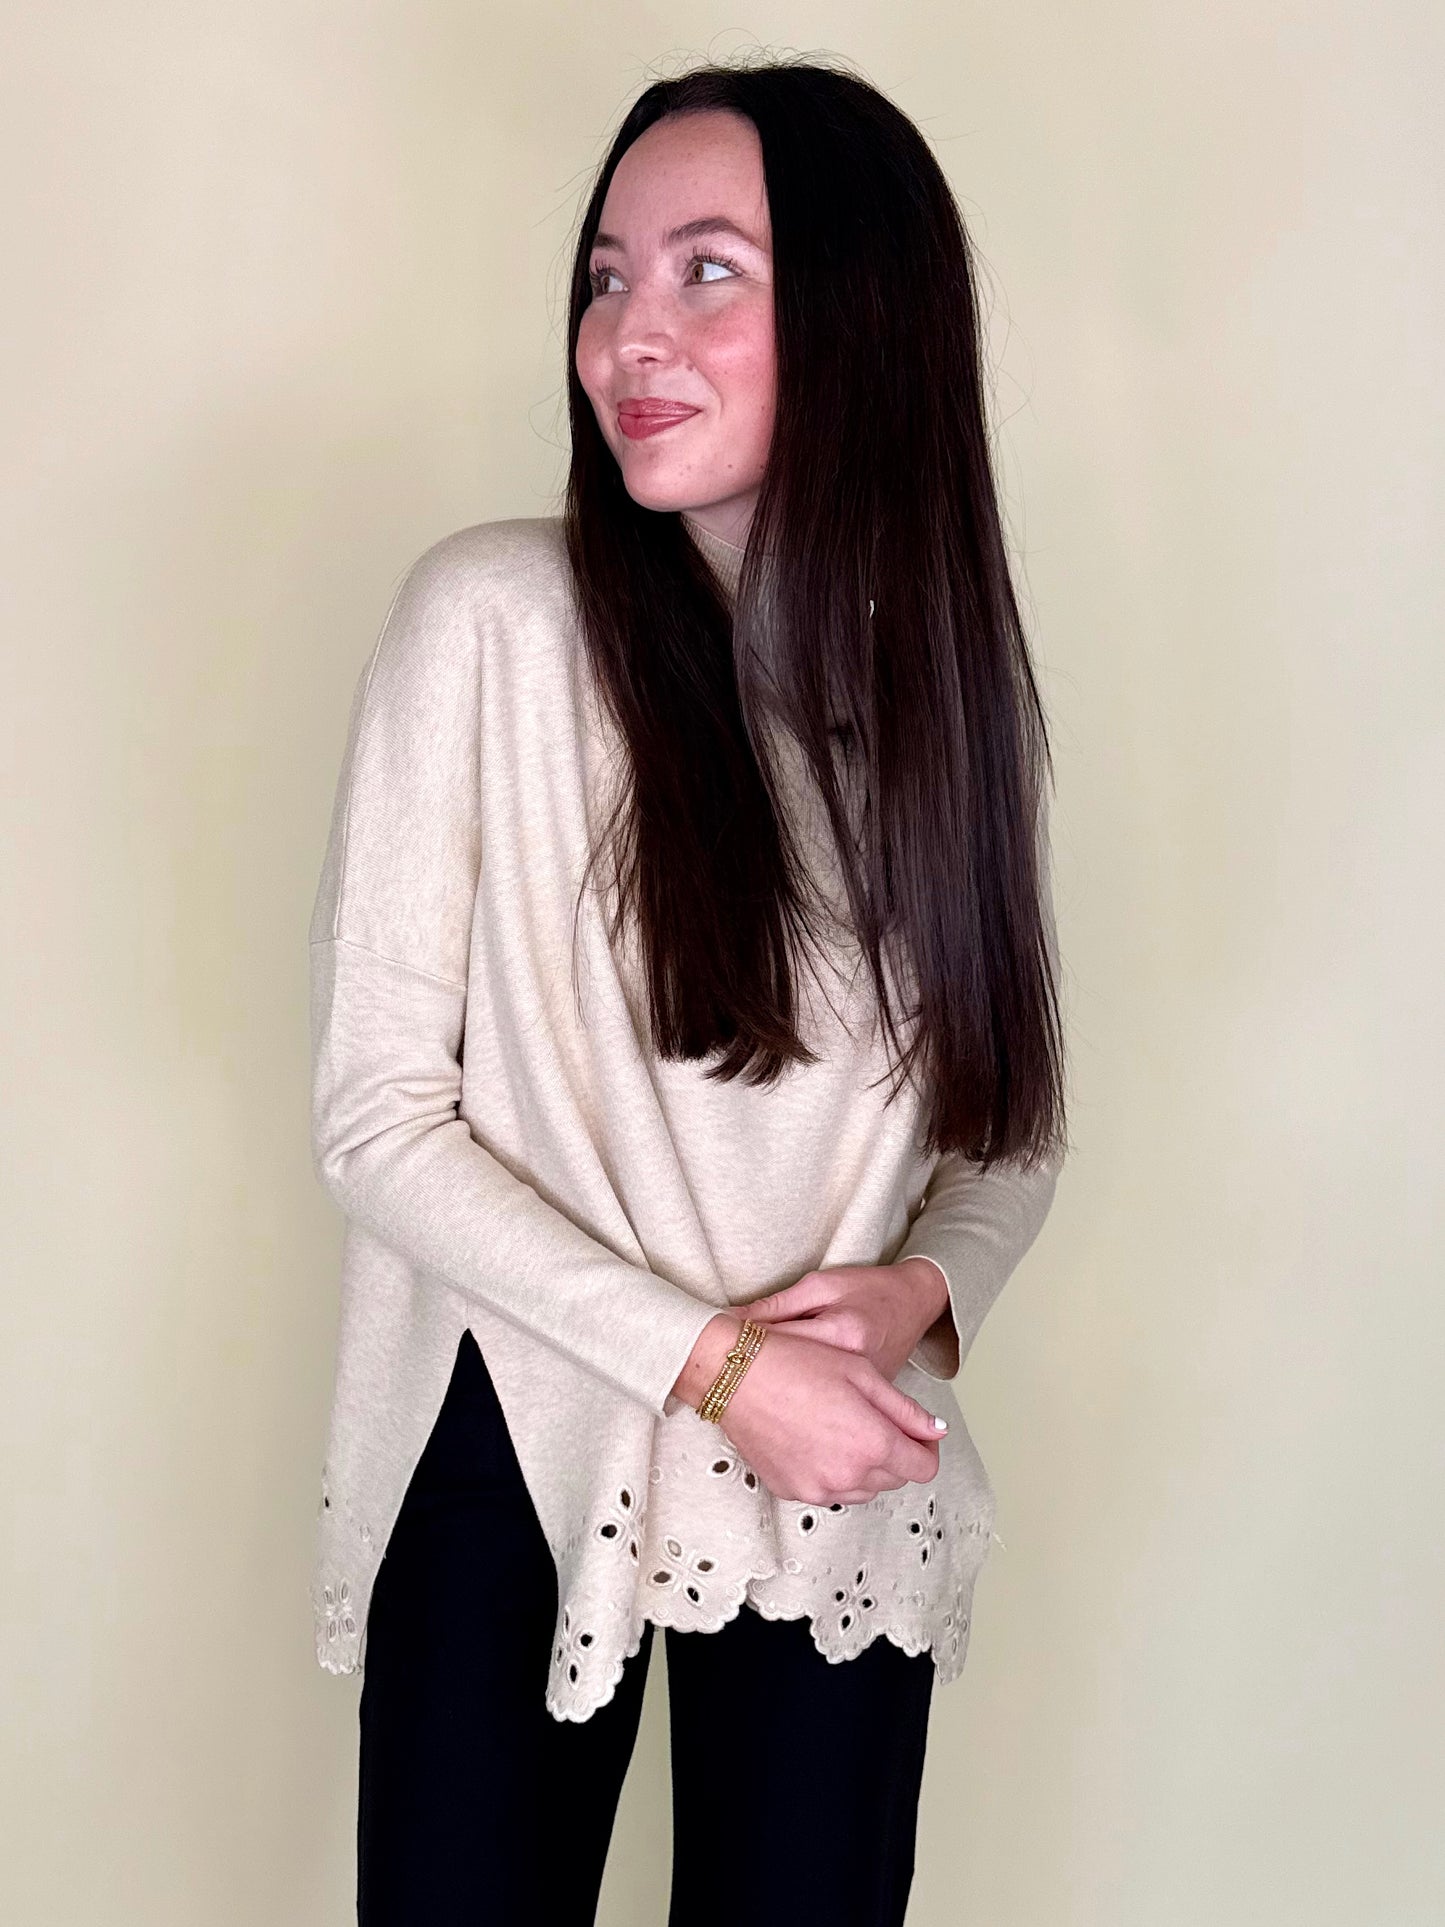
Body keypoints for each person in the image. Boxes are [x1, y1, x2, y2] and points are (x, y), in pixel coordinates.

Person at [307, 56, 1069, 1927]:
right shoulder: (491, 621)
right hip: (510, 1422)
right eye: (604, 275)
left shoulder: (934, 702)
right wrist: (720, 1367)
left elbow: (1006, 1128)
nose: (625, 335)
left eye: (706, 269)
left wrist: (921, 1291)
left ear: (865, 319)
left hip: (832, 1458)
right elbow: (379, 1122)